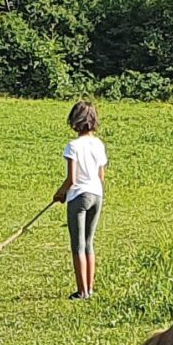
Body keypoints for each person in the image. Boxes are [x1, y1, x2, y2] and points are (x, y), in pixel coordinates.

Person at [52, 100, 107, 300]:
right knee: (89, 243)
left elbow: (72, 179)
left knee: (78, 245)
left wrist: (60, 193)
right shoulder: (99, 144)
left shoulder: (73, 146)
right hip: (97, 195)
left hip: (79, 197)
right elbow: (101, 176)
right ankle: (90, 289)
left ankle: (81, 291)